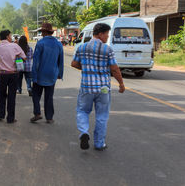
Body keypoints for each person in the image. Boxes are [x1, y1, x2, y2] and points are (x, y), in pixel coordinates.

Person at [71, 23, 125, 151]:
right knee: (102, 115)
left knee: (82, 111)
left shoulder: (82, 47)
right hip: (103, 88)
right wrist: (121, 83)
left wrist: (86, 68)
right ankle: (99, 143)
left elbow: (74, 63)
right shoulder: (107, 49)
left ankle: (84, 132)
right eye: (106, 34)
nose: (107, 37)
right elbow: (115, 69)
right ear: (100, 34)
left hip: (87, 87)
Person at [30, 22, 63, 124]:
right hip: (52, 75)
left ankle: (37, 113)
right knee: (49, 97)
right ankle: (49, 118)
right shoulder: (58, 44)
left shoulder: (40, 43)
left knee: (36, 95)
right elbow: (60, 61)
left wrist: (33, 76)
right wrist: (60, 74)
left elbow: (36, 62)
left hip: (40, 74)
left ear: (44, 32)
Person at [0, 30, 27, 123]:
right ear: (7, 36)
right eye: (10, 35)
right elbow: (24, 57)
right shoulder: (14, 46)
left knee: (1, 95)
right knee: (12, 96)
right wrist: (17, 56)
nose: (11, 37)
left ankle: (1, 114)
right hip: (13, 74)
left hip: (2, 74)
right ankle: (10, 118)